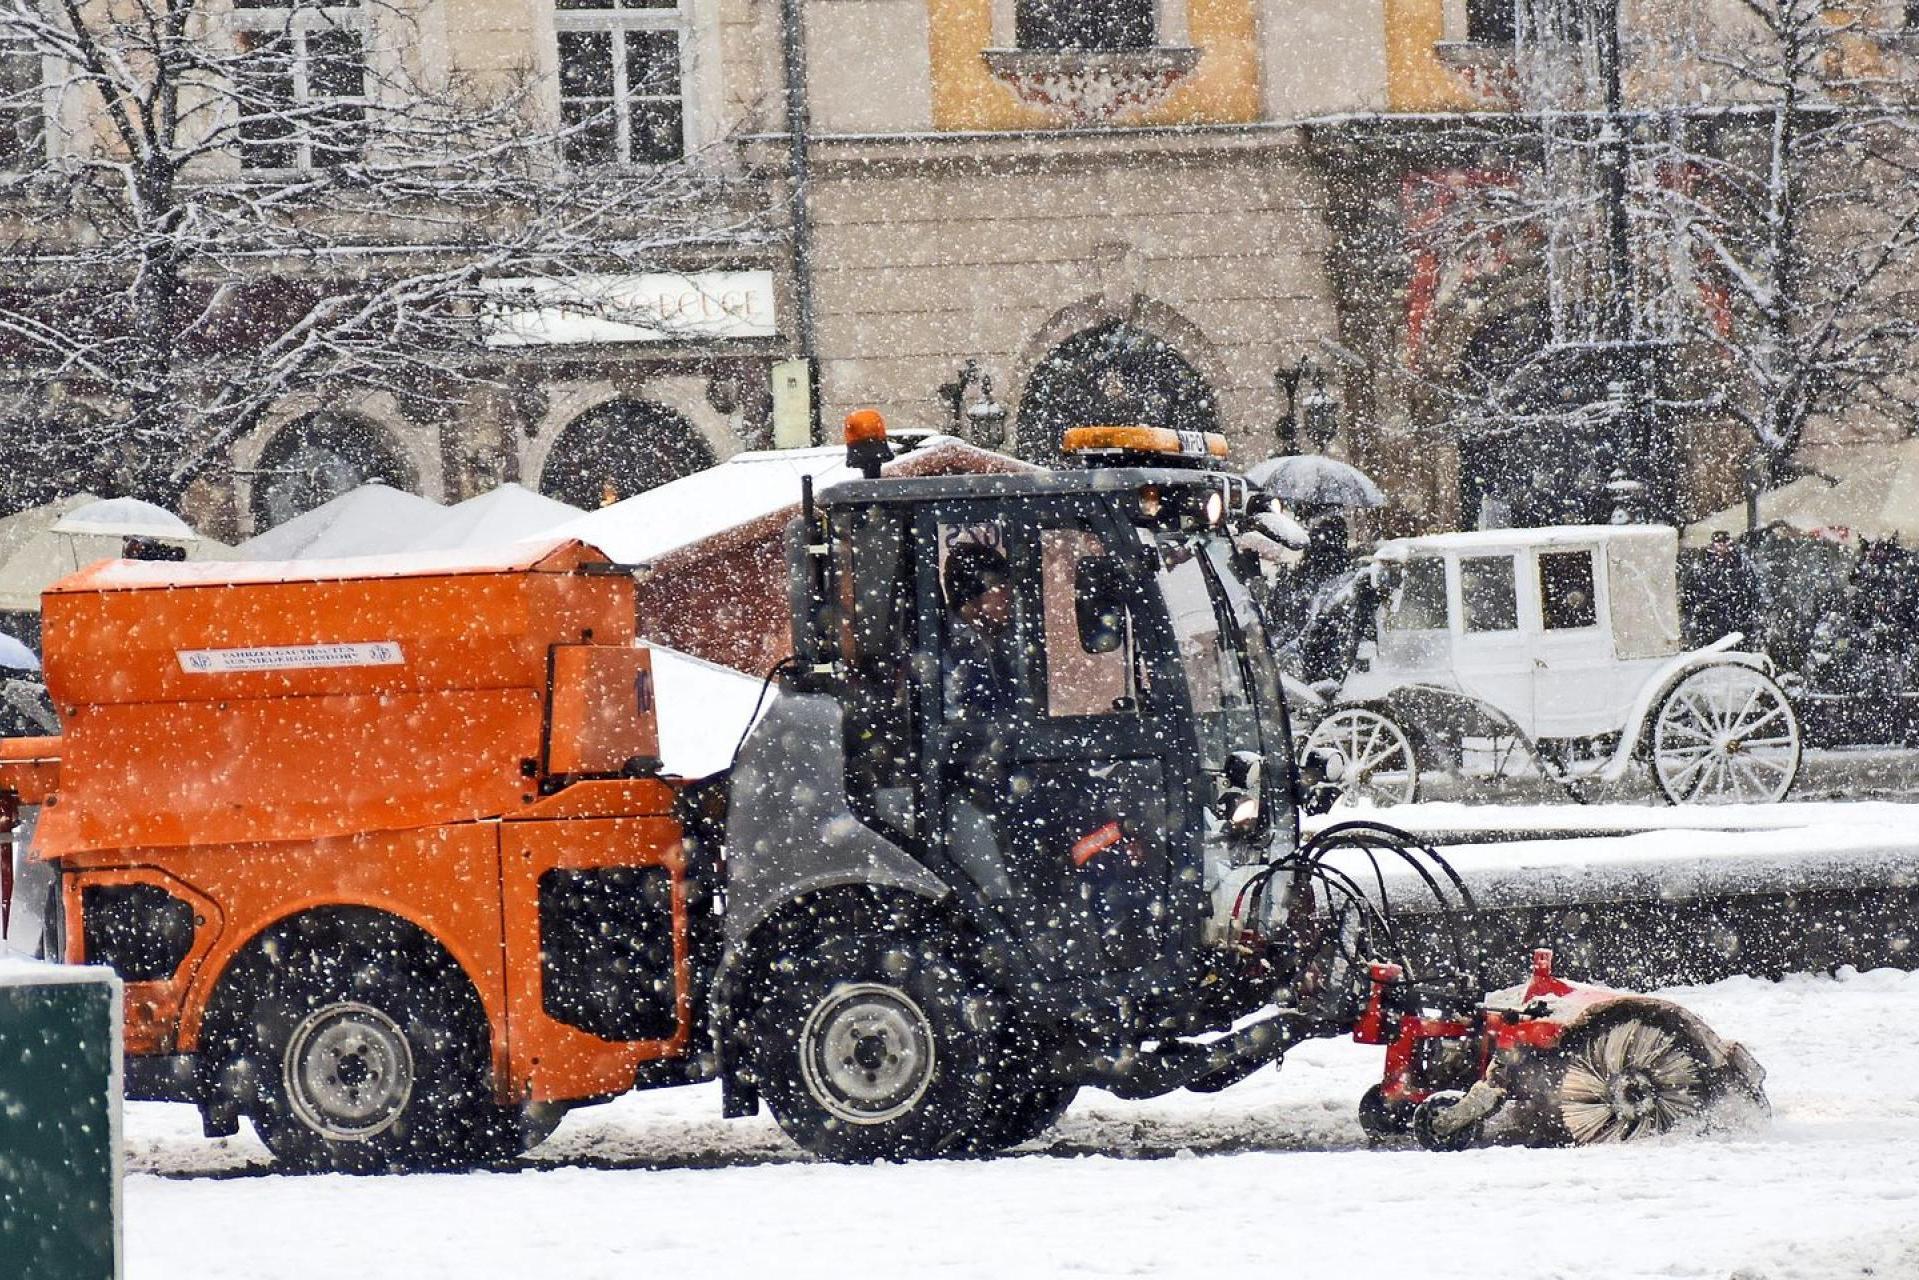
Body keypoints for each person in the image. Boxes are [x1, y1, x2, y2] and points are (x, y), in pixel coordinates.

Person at [941, 541, 1016, 720]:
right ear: (972, 599)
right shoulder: (951, 652)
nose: (1010, 596)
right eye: (1001, 587)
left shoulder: (993, 637)